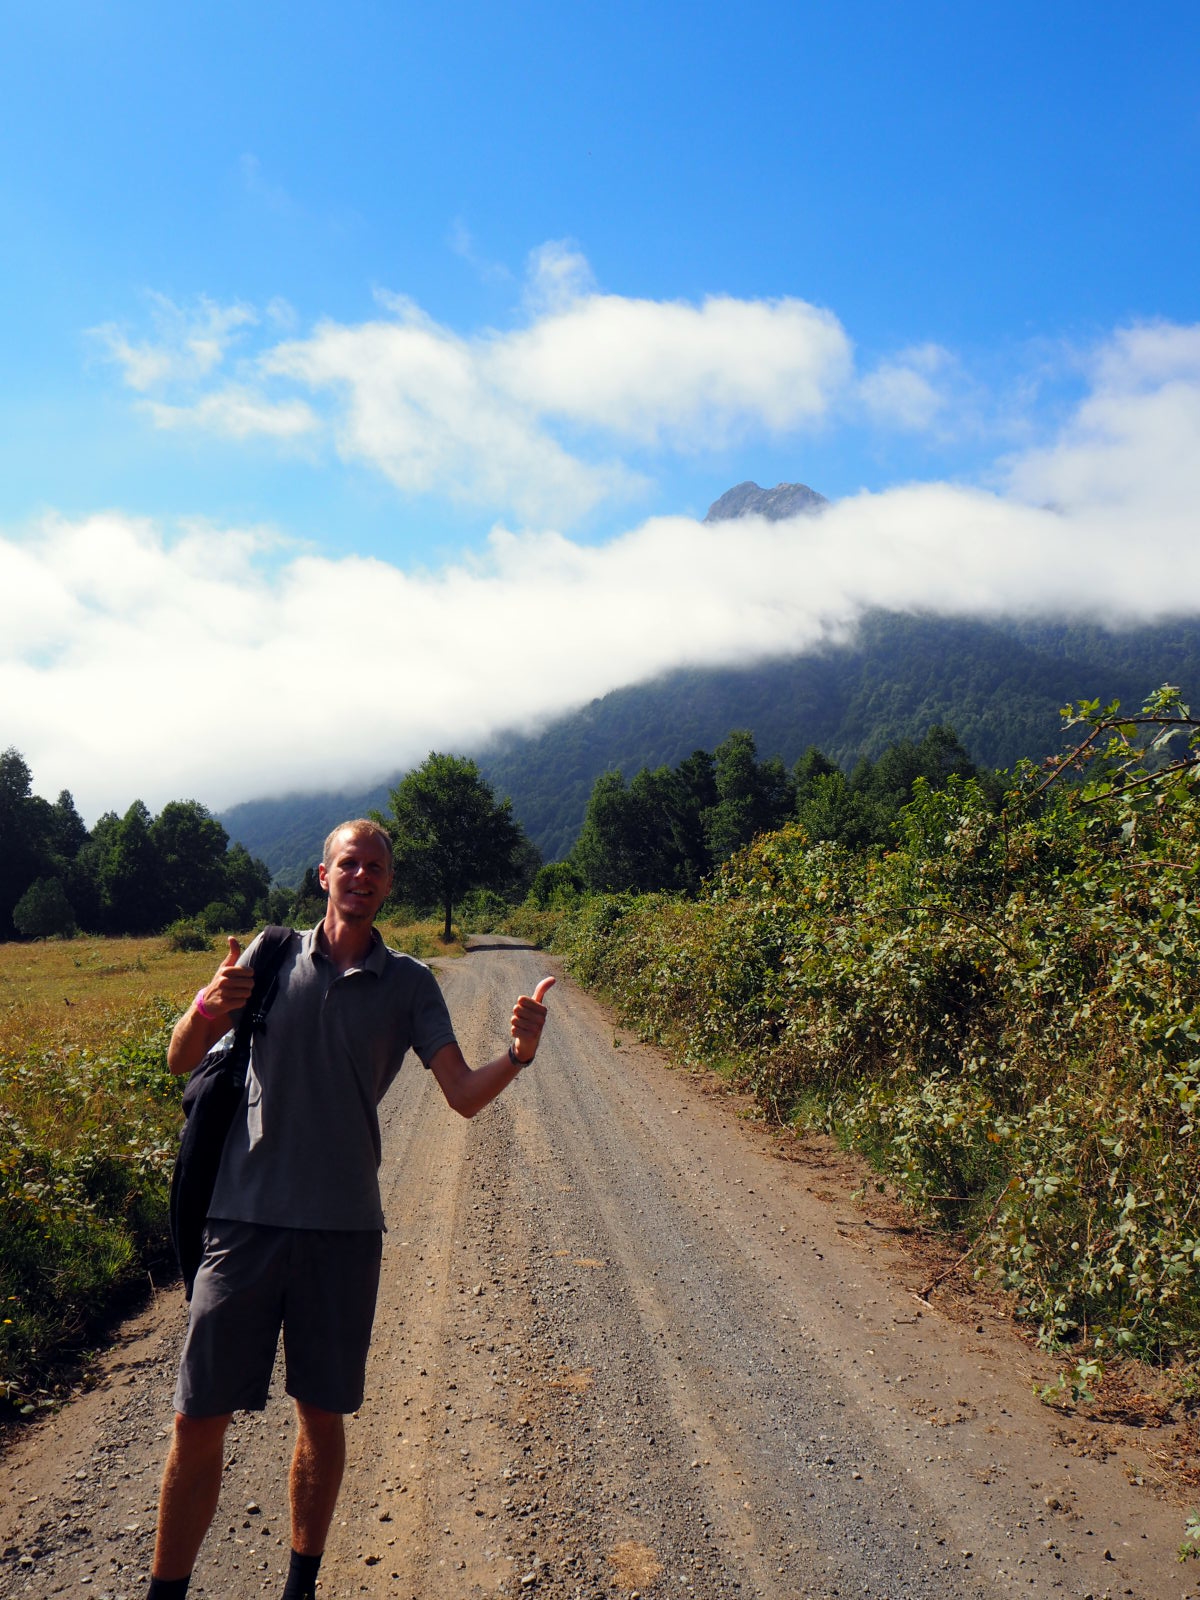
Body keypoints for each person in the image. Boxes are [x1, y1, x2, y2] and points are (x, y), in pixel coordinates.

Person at [145, 818, 554, 1600]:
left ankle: (300, 1587)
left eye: (375, 867)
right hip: (242, 1221)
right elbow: (180, 1058)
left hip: (343, 1230)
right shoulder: (268, 956)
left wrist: (519, 1055)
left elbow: (463, 1096)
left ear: (389, 884)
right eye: (349, 863)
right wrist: (204, 1006)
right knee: (196, 1418)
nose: (361, 876)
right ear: (323, 875)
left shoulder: (410, 985)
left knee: (321, 1414)